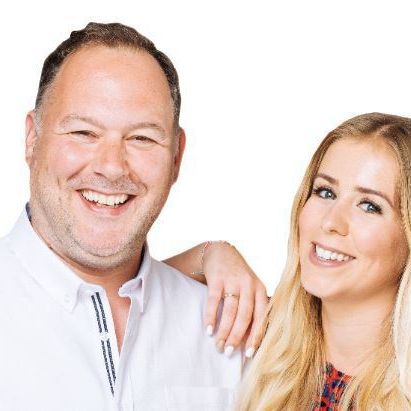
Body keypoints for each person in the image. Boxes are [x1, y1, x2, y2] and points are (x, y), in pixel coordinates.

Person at [0, 22, 267, 410]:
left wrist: (211, 252)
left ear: (176, 157)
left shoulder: (232, 331)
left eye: (142, 138)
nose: (111, 167)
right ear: (32, 138)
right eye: (83, 132)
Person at [230, 112, 411, 409]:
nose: (330, 222)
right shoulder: (257, 334)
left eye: (369, 206)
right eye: (325, 192)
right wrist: (212, 254)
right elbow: (149, 299)